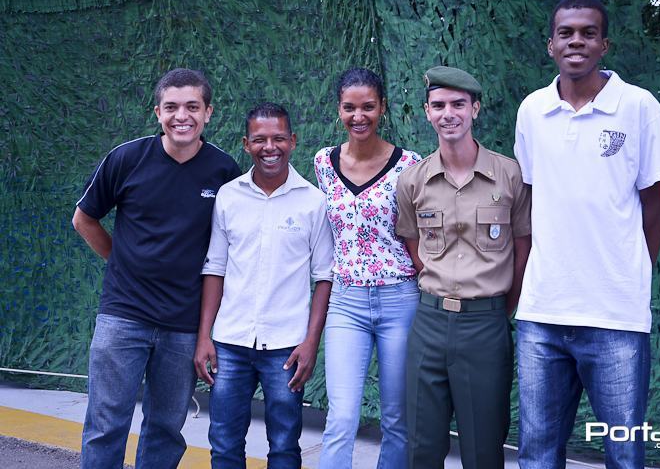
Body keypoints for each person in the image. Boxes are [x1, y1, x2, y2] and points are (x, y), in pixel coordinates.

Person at [513, 0, 660, 469]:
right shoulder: (532, 110)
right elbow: (530, 199)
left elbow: (658, 206)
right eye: (566, 33)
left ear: (605, 44)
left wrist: (629, 271)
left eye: (588, 33)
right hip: (542, 313)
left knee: (623, 453)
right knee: (537, 453)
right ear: (550, 44)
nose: (576, 41)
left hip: (616, 316)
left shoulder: (639, 107)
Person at [72, 68, 241, 468]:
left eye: (192, 107)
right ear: (157, 113)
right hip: (123, 317)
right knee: (105, 425)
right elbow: (84, 219)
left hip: (184, 325)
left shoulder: (224, 171)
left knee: (166, 428)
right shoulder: (127, 158)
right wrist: (121, 261)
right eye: (171, 107)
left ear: (208, 112)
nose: (182, 116)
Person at [396, 66, 532, 469]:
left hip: (485, 325)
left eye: (458, 104)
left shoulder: (509, 175)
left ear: (475, 108)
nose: (448, 114)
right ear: (427, 112)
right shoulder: (413, 181)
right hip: (429, 322)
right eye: (438, 105)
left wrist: (497, 306)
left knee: (483, 448)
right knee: (421, 446)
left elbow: (522, 246)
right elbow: (413, 243)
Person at [194, 102, 334, 469]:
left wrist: (310, 342)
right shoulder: (228, 196)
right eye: (259, 139)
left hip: (286, 347)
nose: (269, 147)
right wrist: (205, 336)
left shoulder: (313, 202)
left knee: (285, 447)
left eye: (278, 138)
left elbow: (324, 277)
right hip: (230, 342)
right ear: (246, 144)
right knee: (224, 443)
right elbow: (215, 269)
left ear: (293, 141)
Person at [314, 68, 422, 469]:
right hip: (346, 302)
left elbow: (417, 235)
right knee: (341, 417)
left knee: (397, 419)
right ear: (339, 109)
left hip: (400, 300)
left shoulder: (409, 164)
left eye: (368, 107)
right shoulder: (324, 162)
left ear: (382, 108)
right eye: (350, 108)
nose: (358, 116)